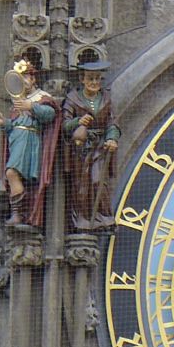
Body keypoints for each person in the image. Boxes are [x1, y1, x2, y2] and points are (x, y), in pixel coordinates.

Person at [0, 58, 60, 227]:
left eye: (25, 77)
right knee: (12, 174)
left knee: (12, 173)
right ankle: (19, 213)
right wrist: (3, 123)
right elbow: (14, 125)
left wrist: (31, 106)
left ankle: (18, 213)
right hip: (17, 140)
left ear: (33, 79)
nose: (22, 81)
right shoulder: (18, 102)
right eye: (19, 78)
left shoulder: (42, 97)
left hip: (30, 142)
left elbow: (50, 115)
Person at [62, 59, 120, 230]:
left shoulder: (106, 99)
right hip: (80, 149)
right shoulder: (73, 99)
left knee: (98, 181)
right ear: (82, 79)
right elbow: (64, 125)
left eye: (97, 79)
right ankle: (83, 217)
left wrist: (112, 138)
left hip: (99, 147)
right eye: (90, 79)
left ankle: (102, 216)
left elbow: (112, 123)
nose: (94, 82)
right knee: (82, 185)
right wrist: (78, 122)